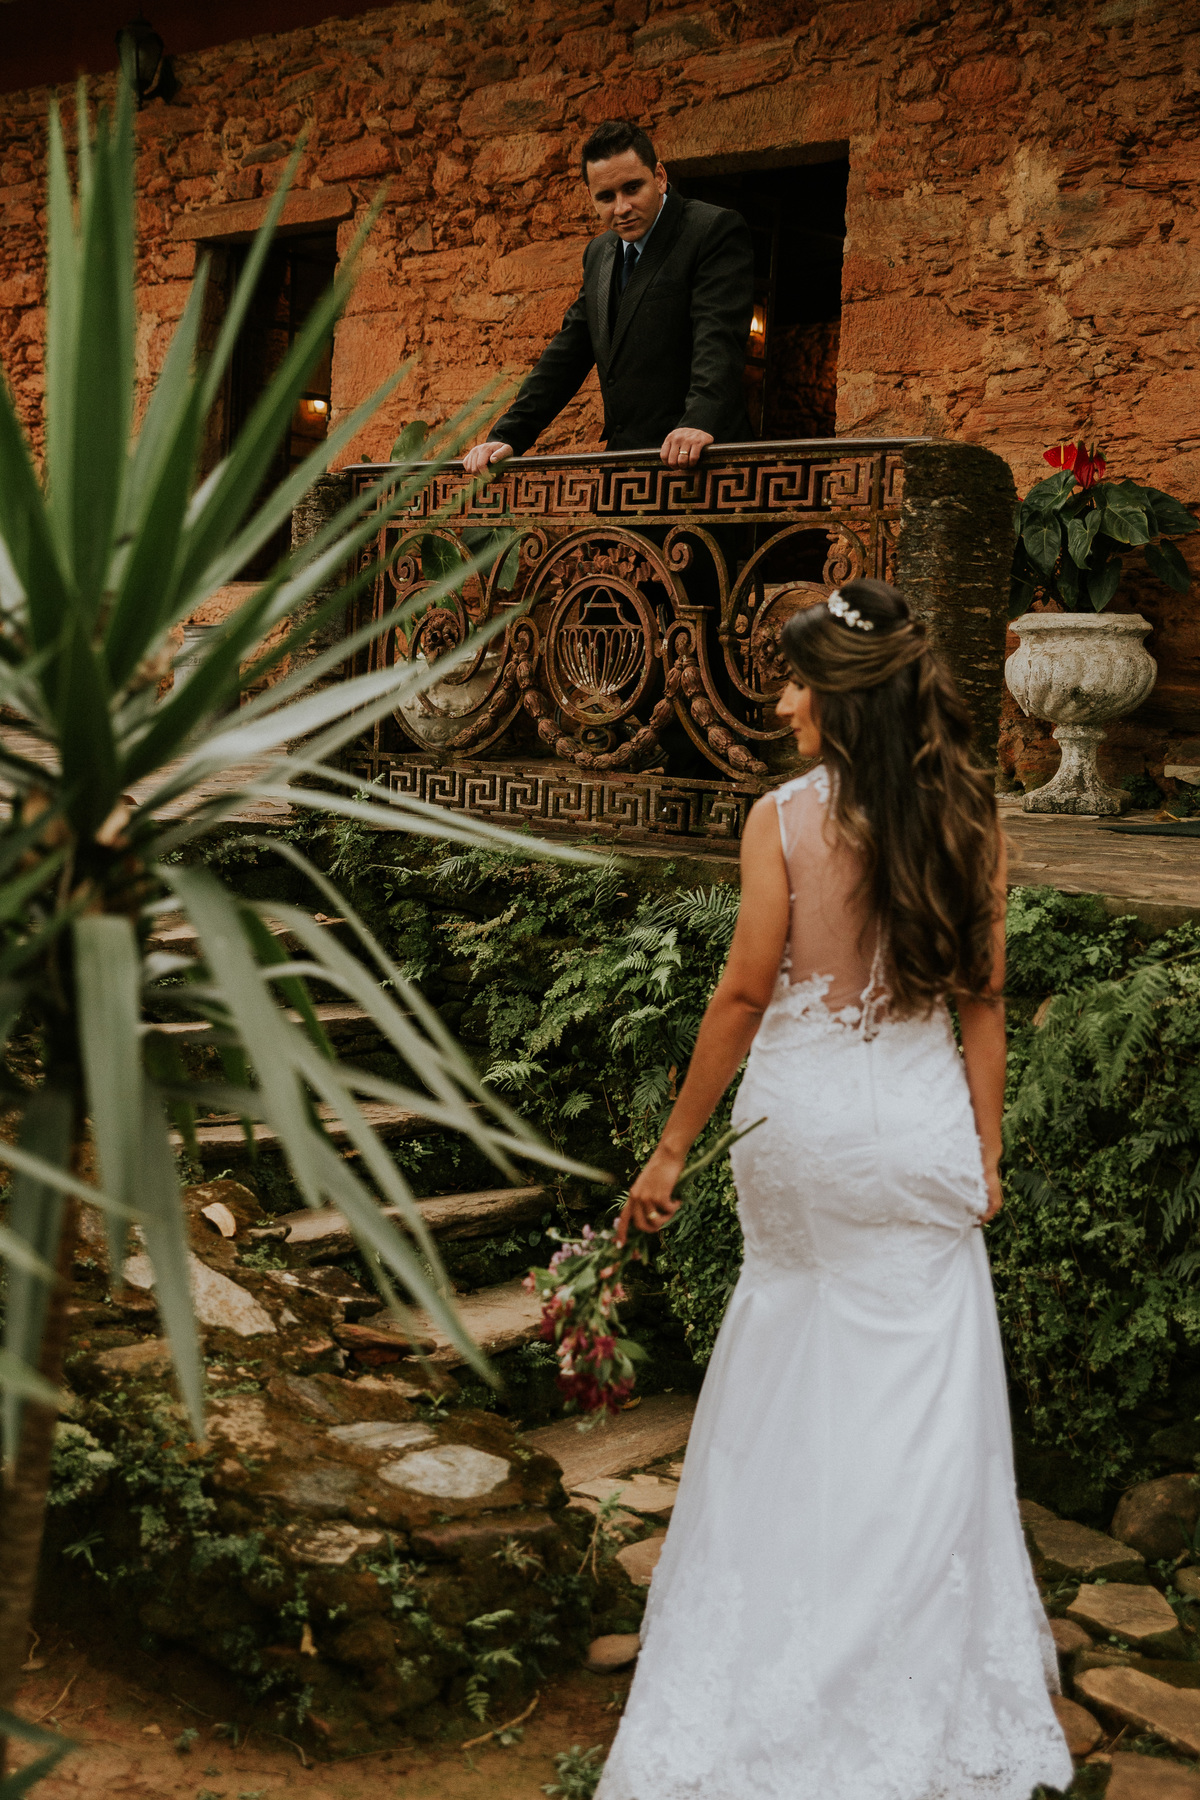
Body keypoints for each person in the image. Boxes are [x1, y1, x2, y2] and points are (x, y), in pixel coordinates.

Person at [597, 580, 1073, 1800]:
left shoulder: (784, 819)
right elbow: (983, 999)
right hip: (914, 1133)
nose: (786, 697)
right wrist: (987, 1150)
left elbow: (746, 994)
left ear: (845, 700)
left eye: (801, 679)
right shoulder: (975, 817)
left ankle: (767, 1646)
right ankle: (900, 1672)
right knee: (920, 1414)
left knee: (781, 1377)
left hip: (801, 1134)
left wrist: (668, 1151)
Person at [461, 119, 754, 477]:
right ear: (591, 197)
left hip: (700, 465)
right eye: (606, 196)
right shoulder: (599, 252)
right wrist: (508, 435)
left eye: (633, 188)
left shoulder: (711, 230)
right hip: (622, 470)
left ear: (659, 177)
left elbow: (718, 337)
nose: (621, 207)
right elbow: (568, 353)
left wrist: (699, 420)